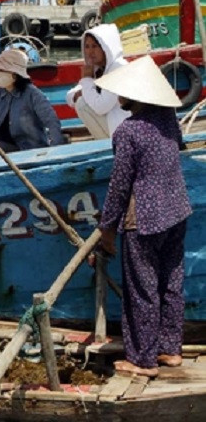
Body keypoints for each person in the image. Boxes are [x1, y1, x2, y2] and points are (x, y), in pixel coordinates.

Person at [94, 55, 191, 378]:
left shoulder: (129, 131)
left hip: (145, 218)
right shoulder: (166, 118)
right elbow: (175, 148)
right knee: (170, 283)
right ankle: (170, 349)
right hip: (177, 209)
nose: (118, 96)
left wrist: (106, 228)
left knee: (142, 289)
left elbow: (119, 186)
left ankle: (142, 359)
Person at [0, 49, 64, 155]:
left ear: (15, 75)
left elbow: (51, 121)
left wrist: (55, 149)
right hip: (2, 140)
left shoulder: (32, 94)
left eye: (2, 70)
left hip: (26, 146)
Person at [65, 24, 130, 139]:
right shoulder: (99, 69)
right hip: (114, 125)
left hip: (125, 128)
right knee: (81, 100)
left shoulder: (117, 68)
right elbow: (70, 96)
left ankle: (109, 146)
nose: (90, 52)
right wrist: (85, 88)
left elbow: (101, 106)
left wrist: (86, 80)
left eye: (94, 46)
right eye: (87, 46)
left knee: (82, 104)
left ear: (106, 48)